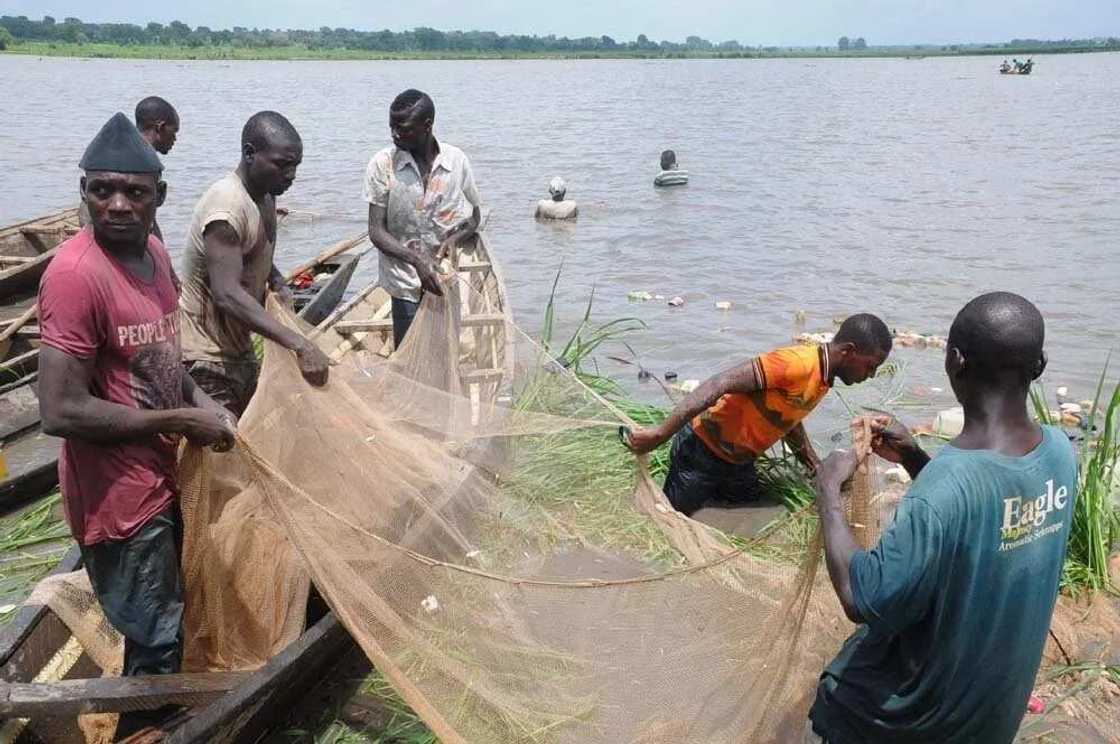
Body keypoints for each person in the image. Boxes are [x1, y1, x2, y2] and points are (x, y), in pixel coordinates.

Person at [38, 113, 235, 739]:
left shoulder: (152, 252)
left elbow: (164, 357)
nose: (117, 205)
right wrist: (179, 418)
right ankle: (142, 730)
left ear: (159, 198)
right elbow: (59, 411)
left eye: (135, 192)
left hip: (164, 468)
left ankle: (159, 713)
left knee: (162, 617)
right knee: (155, 631)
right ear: (85, 191)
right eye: (102, 190)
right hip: (119, 493)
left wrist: (203, 401)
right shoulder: (74, 276)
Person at [808, 292, 1076, 744]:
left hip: (922, 723)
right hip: (993, 715)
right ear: (1040, 363)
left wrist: (829, 490)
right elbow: (980, 513)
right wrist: (914, 456)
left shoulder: (946, 487)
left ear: (954, 360)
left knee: (836, 691)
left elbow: (860, 595)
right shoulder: (1060, 453)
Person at [625, 314, 892, 515]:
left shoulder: (823, 377)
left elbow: (787, 419)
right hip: (702, 454)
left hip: (739, 464)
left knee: (759, 510)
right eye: (870, 366)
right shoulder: (795, 364)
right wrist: (659, 435)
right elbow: (719, 384)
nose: (871, 375)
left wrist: (814, 465)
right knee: (664, 518)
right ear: (848, 351)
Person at [179, 111, 330, 415]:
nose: (291, 176)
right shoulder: (227, 206)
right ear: (250, 153)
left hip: (239, 350)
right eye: (282, 165)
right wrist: (298, 343)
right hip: (207, 359)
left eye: (295, 166)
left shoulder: (266, 195)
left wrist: (275, 280)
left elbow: (251, 254)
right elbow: (226, 294)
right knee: (223, 454)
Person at [364, 89, 482, 347]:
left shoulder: (456, 161)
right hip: (405, 280)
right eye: (391, 126)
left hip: (444, 278)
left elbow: (474, 217)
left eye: (403, 128)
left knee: (445, 353)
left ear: (427, 126)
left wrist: (452, 242)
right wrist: (417, 260)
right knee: (410, 358)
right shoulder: (383, 164)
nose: (395, 134)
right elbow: (375, 230)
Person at [79, 97, 180, 240]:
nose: (175, 139)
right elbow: (86, 209)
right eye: (174, 131)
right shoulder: (136, 164)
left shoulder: (148, 163)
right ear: (160, 127)